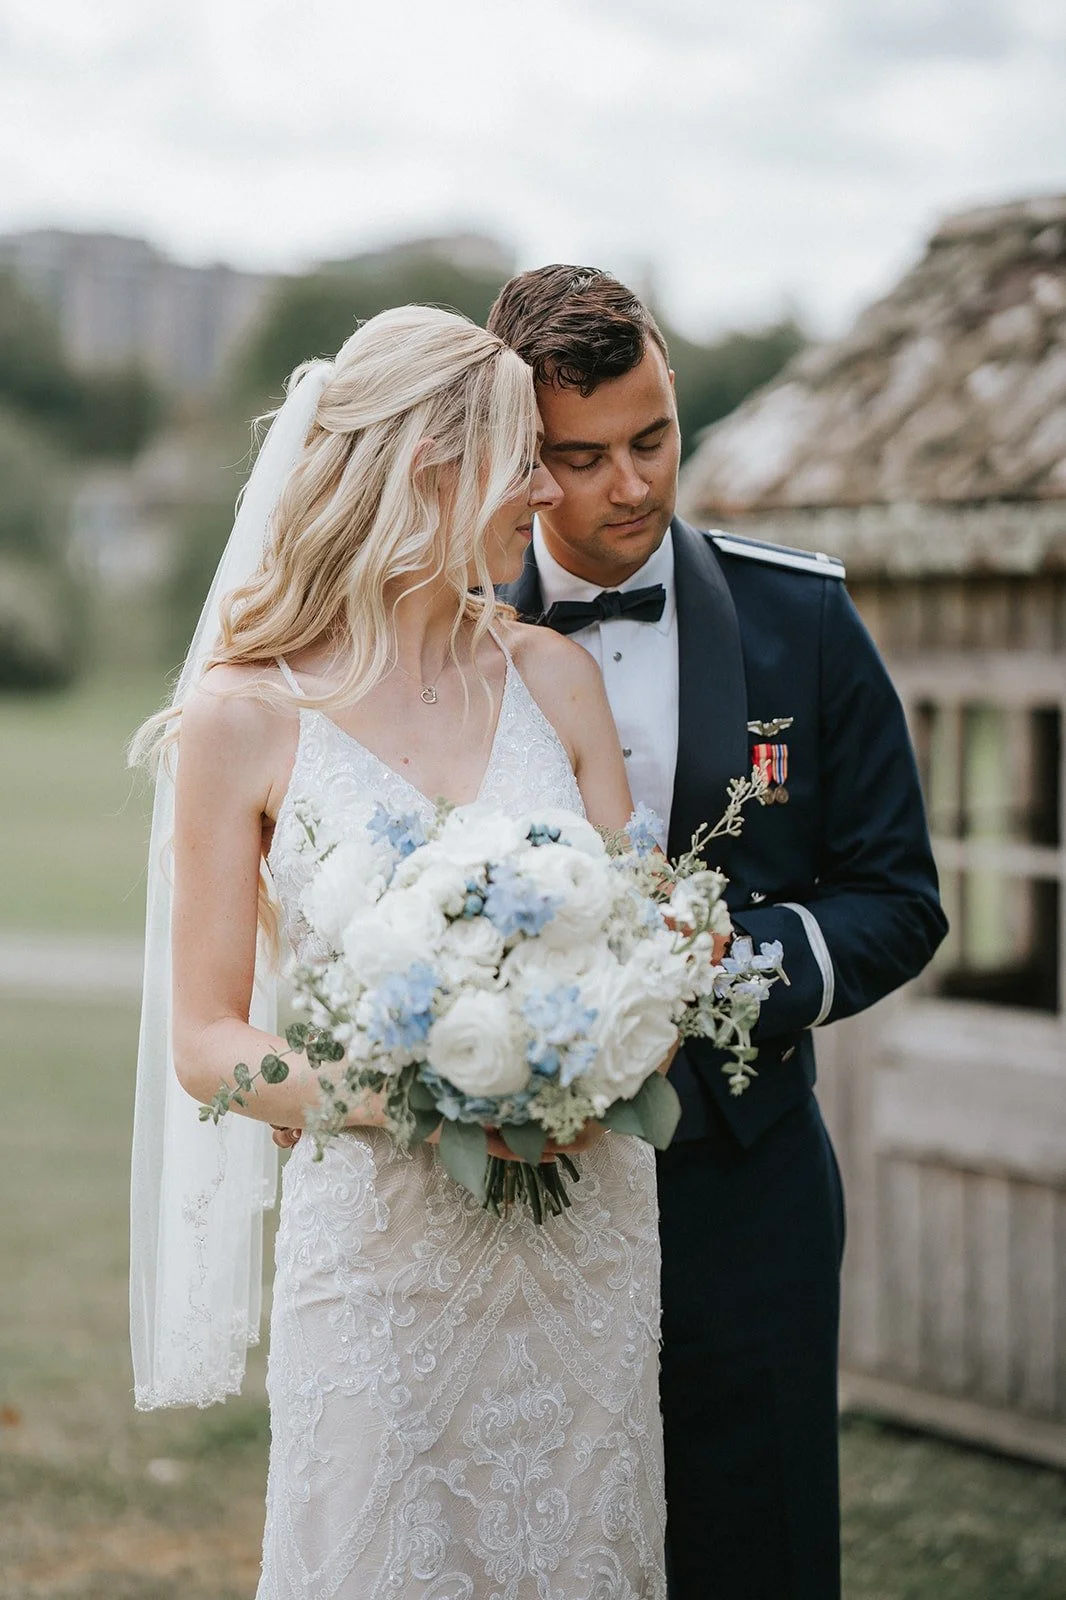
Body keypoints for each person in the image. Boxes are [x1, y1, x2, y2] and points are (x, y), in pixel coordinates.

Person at [129, 306, 668, 1598]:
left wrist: (594, 1056)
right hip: (377, 1258)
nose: (547, 489)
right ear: (429, 468)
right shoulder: (244, 717)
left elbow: (642, 946)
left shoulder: (554, 679)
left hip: (582, 1243)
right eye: (520, 457)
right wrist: (412, 1102)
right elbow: (208, 1043)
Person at [489, 266, 948, 1600]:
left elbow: (897, 896)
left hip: (746, 1183)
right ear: (516, 463)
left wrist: (719, 970)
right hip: (523, 1189)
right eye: (581, 458)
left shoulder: (801, 619)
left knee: (759, 1545)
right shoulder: (449, 640)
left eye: (652, 438)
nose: (630, 486)